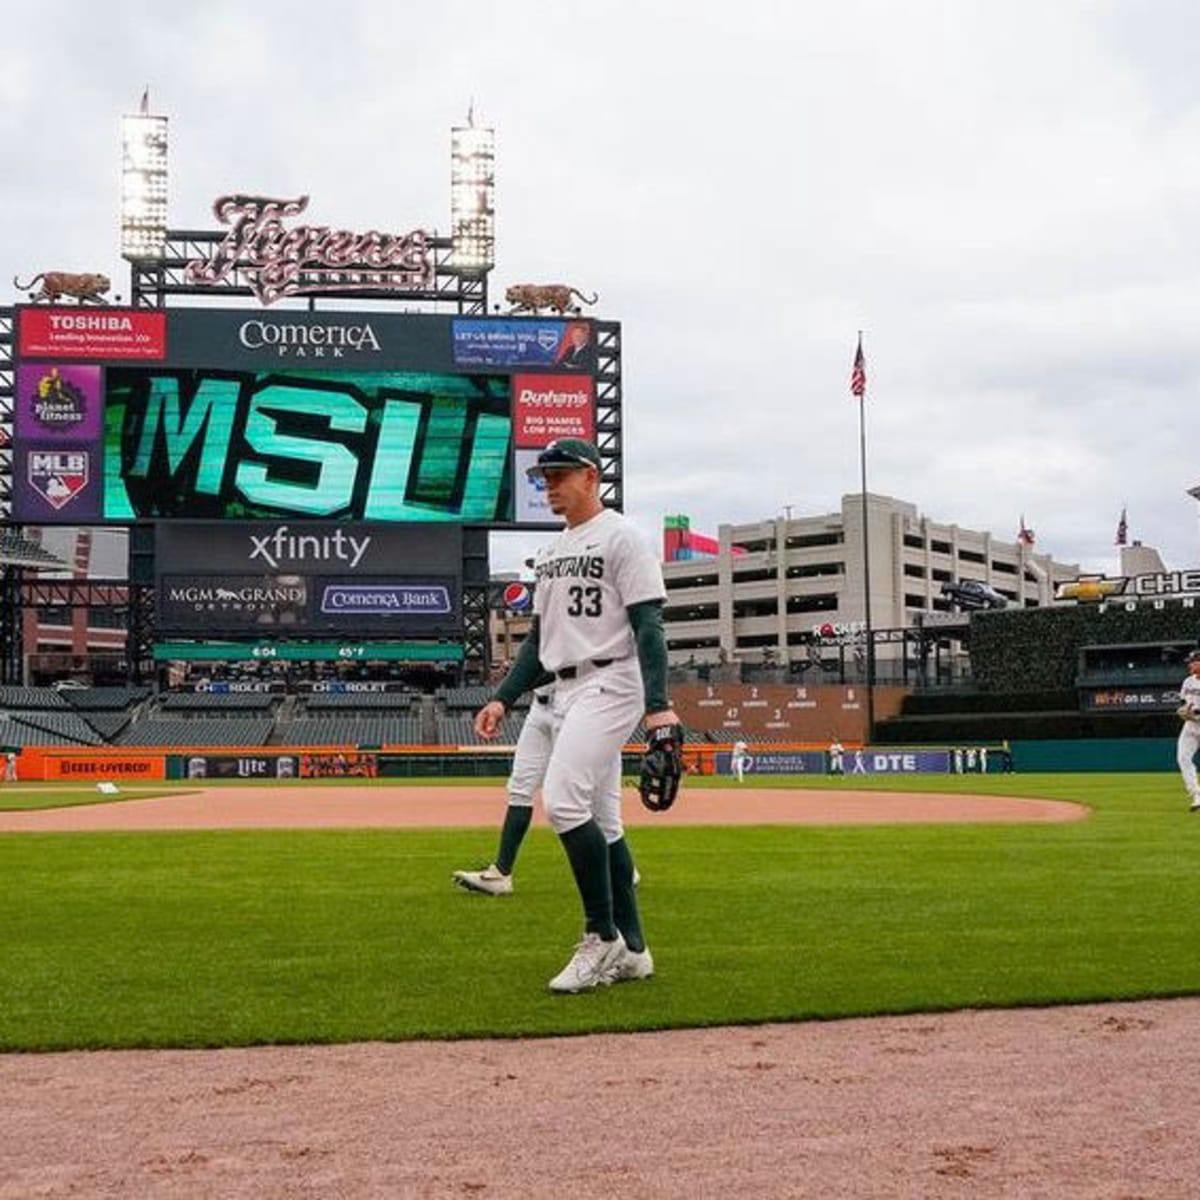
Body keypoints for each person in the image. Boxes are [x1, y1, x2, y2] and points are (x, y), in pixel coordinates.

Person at [474, 437, 678, 992]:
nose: (550, 487)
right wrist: (504, 696)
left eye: (560, 475)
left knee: (562, 800)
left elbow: (649, 627)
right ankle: (635, 951)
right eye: (545, 478)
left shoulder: (623, 538)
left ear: (591, 476)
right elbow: (541, 640)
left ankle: (601, 935)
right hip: (564, 687)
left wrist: (659, 708)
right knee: (605, 823)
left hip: (612, 679)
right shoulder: (555, 550)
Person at [454, 682, 639, 897]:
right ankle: (500, 874)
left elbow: (546, 664)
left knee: (596, 805)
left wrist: (507, 694)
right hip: (540, 708)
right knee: (520, 788)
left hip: (579, 707)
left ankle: (624, 872)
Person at [1176, 649, 1200, 812]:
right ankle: (1197, 795)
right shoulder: (1188, 682)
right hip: (1191, 726)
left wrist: (1194, 713)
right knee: (1183, 758)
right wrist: (1183, 710)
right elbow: (1183, 702)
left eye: (1192, 662)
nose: (1189, 665)